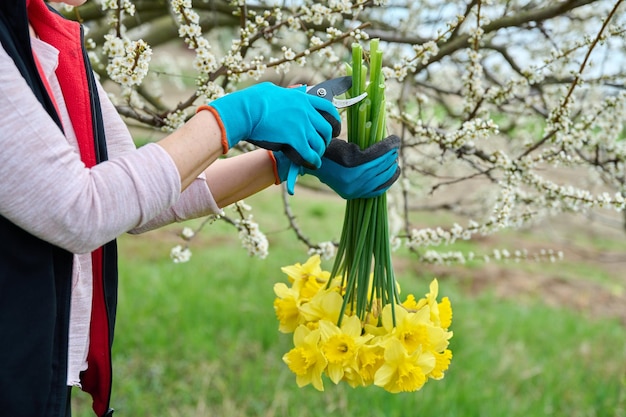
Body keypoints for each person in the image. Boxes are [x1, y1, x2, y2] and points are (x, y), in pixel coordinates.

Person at [0, 0, 401, 416]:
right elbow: (82, 210)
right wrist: (237, 115)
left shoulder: (43, 39)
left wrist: (280, 164)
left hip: (39, 371)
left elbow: (139, 195)